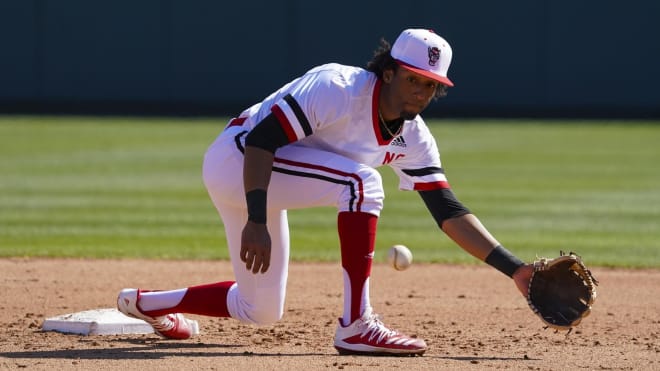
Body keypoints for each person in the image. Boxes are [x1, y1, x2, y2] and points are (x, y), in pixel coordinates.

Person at [117, 28, 534, 356]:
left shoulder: (415, 137)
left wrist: (515, 269)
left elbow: (447, 210)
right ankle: (356, 325)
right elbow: (262, 141)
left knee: (259, 309)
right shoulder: (339, 88)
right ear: (388, 72)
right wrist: (257, 220)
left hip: (267, 178)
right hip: (238, 162)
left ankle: (148, 304)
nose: (421, 92)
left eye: (430, 85)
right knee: (361, 182)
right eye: (413, 79)